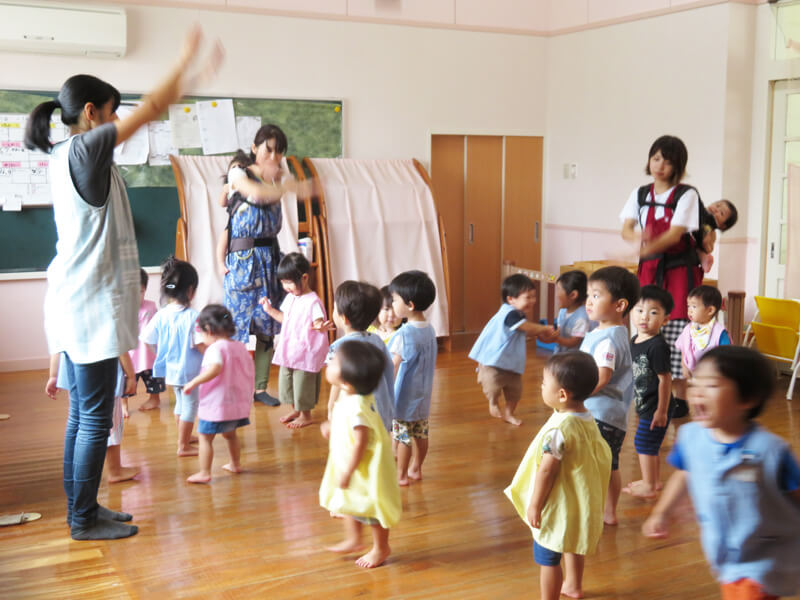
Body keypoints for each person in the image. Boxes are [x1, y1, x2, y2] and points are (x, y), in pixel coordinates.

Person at [26, 27, 222, 540]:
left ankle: (83, 506)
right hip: (88, 304)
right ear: (91, 113)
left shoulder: (66, 155)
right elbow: (153, 108)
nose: (116, 122)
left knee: (82, 416)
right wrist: (188, 65)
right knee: (93, 418)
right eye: (111, 112)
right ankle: (82, 517)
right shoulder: (86, 149)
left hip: (81, 300)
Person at [643, 346, 800, 600]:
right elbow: (686, 473)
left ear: (747, 399)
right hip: (722, 550)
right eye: (694, 383)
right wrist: (662, 512)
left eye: (712, 385)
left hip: (766, 554)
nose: (697, 393)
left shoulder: (770, 452)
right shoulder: (692, 437)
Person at [504, 352, 611, 600]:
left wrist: (535, 504)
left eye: (544, 382)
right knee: (573, 543)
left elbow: (546, 470)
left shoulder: (559, 430)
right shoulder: (586, 418)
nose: (540, 386)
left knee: (548, 555)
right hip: (578, 502)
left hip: (558, 504)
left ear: (562, 394)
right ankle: (573, 585)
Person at [620, 135, 703, 418]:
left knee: (676, 329)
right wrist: (636, 238)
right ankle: (647, 390)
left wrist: (647, 244)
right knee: (644, 323)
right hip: (649, 268)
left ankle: (678, 398)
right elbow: (627, 228)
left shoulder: (687, 194)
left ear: (678, 166)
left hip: (678, 271)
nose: (660, 166)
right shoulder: (640, 193)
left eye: (668, 161)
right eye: (656, 158)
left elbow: (675, 234)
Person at [220, 126, 301, 407]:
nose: (274, 155)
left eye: (279, 150)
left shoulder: (280, 175)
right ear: (255, 148)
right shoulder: (238, 173)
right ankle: (233, 386)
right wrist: (284, 185)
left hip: (270, 257)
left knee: (266, 325)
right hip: (243, 259)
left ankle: (259, 388)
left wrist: (282, 177)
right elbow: (256, 195)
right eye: (268, 148)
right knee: (238, 328)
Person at [319, 340, 402, 569]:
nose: (330, 362)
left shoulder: (357, 407)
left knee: (371, 508)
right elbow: (346, 423)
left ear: (345, 382)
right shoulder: (351, 397)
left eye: (335, 361)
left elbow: (361, 443)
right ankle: (354, 539)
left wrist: (348, 471)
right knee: (348, 503)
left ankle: (381, 547)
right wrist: (332, 428)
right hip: (350, 463)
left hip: (363, 467)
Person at [580, 266, 640, 526]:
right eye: (588, 295)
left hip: (601, 415)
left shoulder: (609, 338)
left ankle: (601, 510)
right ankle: (608, 511)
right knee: (609, 463)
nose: (589, 302)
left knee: (599, 465)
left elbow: (602, 377)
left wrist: (575, 397)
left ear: (620, 305)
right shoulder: (605, 332)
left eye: (596, 295)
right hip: (608, 414)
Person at [468, 274, 553, 426]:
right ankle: (493, 402)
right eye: (528, 297)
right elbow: (525, 327)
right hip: (493, 362)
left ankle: (508, 413)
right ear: (510, 299)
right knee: (492, 385)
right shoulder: (509, 313)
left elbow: (526, 332)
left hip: (512, 363)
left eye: (534, 296)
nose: (532, 301)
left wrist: (541, 333)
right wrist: (543, 328)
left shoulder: (518, 314)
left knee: (515, 392)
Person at [183, 304, 254, 484]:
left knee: (205, 438)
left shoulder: (215, 349)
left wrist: (194, 382)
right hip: (235, 403)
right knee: (231, 435)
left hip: (217, 405)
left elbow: (215, 368)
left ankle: (204, 472)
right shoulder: (239, 346)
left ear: (208, 330)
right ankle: (235, 464)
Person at [140, 257, 203, 457]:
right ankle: (183, 446)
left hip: (171, 371)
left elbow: (146, 338)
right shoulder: (193, 317)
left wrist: (158, 354)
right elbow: (201, 345)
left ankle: (183, 437)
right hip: (190, 372)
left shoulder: (161, 315)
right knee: (190, 406)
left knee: (180, 403)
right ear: (191, 290)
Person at [259, 252, 329, 429]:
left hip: (305, 351)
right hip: (289, 349)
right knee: (288, 382)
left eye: (289, 282)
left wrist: (320, 326)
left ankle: (306, 415)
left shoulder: (312, 301)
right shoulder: (291, 297)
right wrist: (269, 310)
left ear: (304, 278)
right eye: (283, 282)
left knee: (302, 384)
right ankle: (296, 410)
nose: (285, 287)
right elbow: (285, 318)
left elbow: (318, 322)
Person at [48, 352, 140, 484]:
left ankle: (77, 471)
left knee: (80, 422)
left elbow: (57, 347)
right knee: (111, 425)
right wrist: (131, 375)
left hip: (74, 374)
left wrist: (53, 375)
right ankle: (115, 471)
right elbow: (120, 347)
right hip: (103, 375)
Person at [622, 285, 676, 499]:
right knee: (649, 443)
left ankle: (649, 486)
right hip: (645, 403)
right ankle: (652, 481)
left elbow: (665, 379)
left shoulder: (657, 346)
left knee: (644, 442)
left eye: (653, 312)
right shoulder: (635, 340)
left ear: (665, 320)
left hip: (657, 406)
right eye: (640, 310)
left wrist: (661, 411)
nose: (645, 316)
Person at [388, 270, 438, 486]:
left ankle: (400, 475)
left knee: (402, 436)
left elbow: (393, 366)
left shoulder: (404, 334)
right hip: (424, 394)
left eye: (394, 300)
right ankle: (416, 468)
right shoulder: (430, 329)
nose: (392, 305)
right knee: (421, 432)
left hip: (403, 396)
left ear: (409, 304)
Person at [325, 281, 394, 432]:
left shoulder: (339, 347)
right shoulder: (377, 340)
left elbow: (336, 382)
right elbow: (389, 371)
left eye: (334, 309)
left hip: (355, 413)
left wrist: (331, 407)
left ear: (344, 318)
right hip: (380, 407)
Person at [129, 268, 165, 413]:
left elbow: (157, 327)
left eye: (141, 291)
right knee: (126, 380)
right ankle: (124, 404)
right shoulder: (120, 310)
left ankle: (154, 398)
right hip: (130, 355)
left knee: (153, 376)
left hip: (149, 353)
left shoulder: (151, 306)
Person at [675, 285, 730, 378]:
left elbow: (726, 355)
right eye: (688, 306)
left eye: (694, 306)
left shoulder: (719, 332)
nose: (689, 311)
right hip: (691, 374)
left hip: (711, 375)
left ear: (710, 310)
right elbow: (684, 348)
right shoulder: (688, 329)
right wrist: (684, 366)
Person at [541, 270, 593, 354]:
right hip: (561, 353)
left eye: (559, 290)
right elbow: (559, 330)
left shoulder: (582, 317)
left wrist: (555, 339)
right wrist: (550, 335)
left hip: (574, 358)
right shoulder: (563, 311)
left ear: (573, 295)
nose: (557, 294)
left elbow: (574, 342)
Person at [695, 199, 738, 273]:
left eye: (721, 213)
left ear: (722, 226)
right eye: (717, 205)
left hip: (695, 247)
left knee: (701, 252)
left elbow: (709, 248)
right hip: (685, 235)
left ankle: (705, 260)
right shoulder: (698, 211)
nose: (716, 210)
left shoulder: (712, 232)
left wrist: (707, 235)